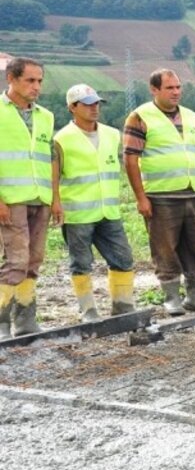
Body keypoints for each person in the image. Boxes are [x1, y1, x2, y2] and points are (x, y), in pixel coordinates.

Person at [123, 69, 195, 316]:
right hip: (160, 196)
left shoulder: (192, 117)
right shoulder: (140, 116)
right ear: (154, 89)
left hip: (190, 194)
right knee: (164, 248)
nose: (176, 92)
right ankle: (171, 298)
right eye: (170, 88)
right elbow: (130, 159)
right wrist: (141, 198)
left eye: (178, 87)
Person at [51, 84, 136, 322]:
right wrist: (55, 203)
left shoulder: (111, 134)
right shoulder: (61, 139)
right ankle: (88, 309)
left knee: (123, 258)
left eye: (96, 103)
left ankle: (123, 306)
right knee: (81, 263)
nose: (94, 108)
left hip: (108, 211)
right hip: (77, 213)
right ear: (72, 107)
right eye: (87, 104)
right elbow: (54, 176)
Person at [0, 57, 53, 338]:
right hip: (11, 199)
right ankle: (2, 322)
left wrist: (53, 199)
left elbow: (48, 159)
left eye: (40, 81)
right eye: (30, 80)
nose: (36, 87)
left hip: (39, 198)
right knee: (16, 261)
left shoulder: (45, 116)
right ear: (11, 78)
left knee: (33, 260)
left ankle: (26, 319)